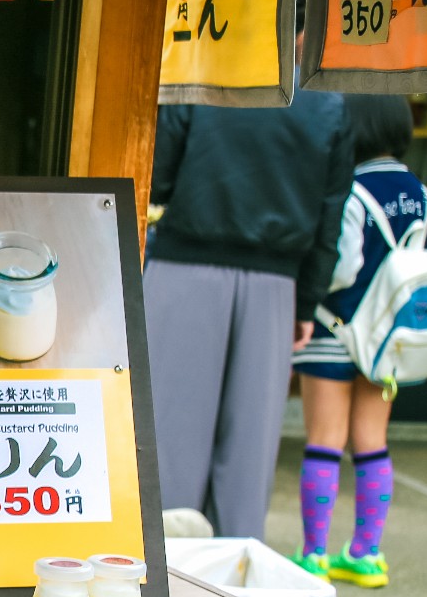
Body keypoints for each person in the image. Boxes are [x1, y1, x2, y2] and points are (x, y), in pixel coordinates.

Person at [145, 89, 354, 541]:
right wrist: (305, 303)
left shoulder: (201, 78)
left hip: (185, 265)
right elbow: (329, 217)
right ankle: (234, 583)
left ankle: (157, 570)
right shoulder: (329, 103)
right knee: (249, 454)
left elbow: (156, 176)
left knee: (169, 442)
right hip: (275, 283)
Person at [291, 95, 427, 587]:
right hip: (390, 344)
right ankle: (365, 553)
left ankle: (314, 555)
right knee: (371, 442)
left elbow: (341, 268)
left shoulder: (352, 193)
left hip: (334, 333)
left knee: (324, 441)